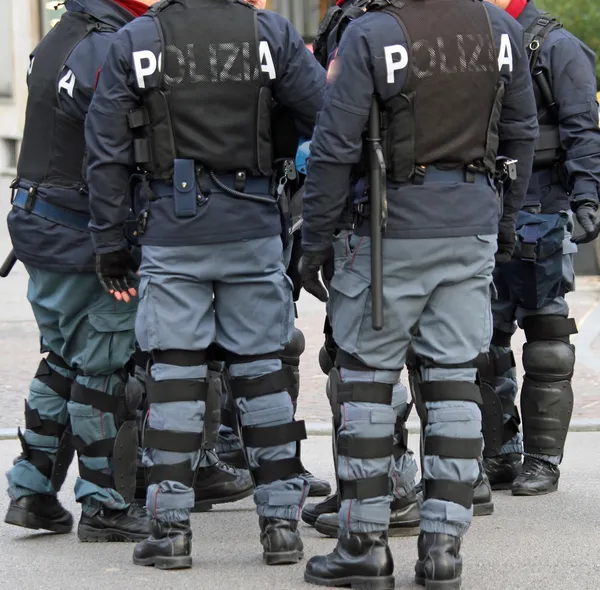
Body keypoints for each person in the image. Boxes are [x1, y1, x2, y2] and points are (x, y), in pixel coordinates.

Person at [300, 0, 538, 587]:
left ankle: (363, 546)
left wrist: (316, 236)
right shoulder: (501, 30)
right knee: (454, 378)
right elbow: (521, 134)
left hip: (390, 232)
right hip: (470, 222)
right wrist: (504, 221)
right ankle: (442, 551)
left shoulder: (373, 33)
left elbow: (334, 146)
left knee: (367, 384)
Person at [85, 0, 326, 570]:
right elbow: (327, 113)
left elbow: (105, 149)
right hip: (252, 225)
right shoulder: (271, 32)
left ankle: (170, 532)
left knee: (173, 376)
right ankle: (281, 529)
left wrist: (109, 243)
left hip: (171, 229)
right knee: (263, 372)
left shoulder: (139, 38)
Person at [4, 0, 151, 543]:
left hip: (41, 224)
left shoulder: (61, 34)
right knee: (105, 370)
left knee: (64, 359)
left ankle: (32, 490)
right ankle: (104, 504)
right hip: (82, 231)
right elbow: (114, 153)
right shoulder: (111, 45)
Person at [301, 0, 421, 540]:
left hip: (372, 220)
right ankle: (399, 495)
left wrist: (316, 234)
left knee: (362, 366)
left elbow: (336, 138)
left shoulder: (362, 26)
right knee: (432, 365)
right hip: (443, 218)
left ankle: (385, 494)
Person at [480, 0, 600, 496]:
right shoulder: (473, 37)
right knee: (482, 343)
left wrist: (588, 194)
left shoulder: (556, 45)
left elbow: (583, 128)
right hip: (482, 207)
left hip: (543, 209)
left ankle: (542, 461)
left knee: (547, 338)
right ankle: (499, 454)